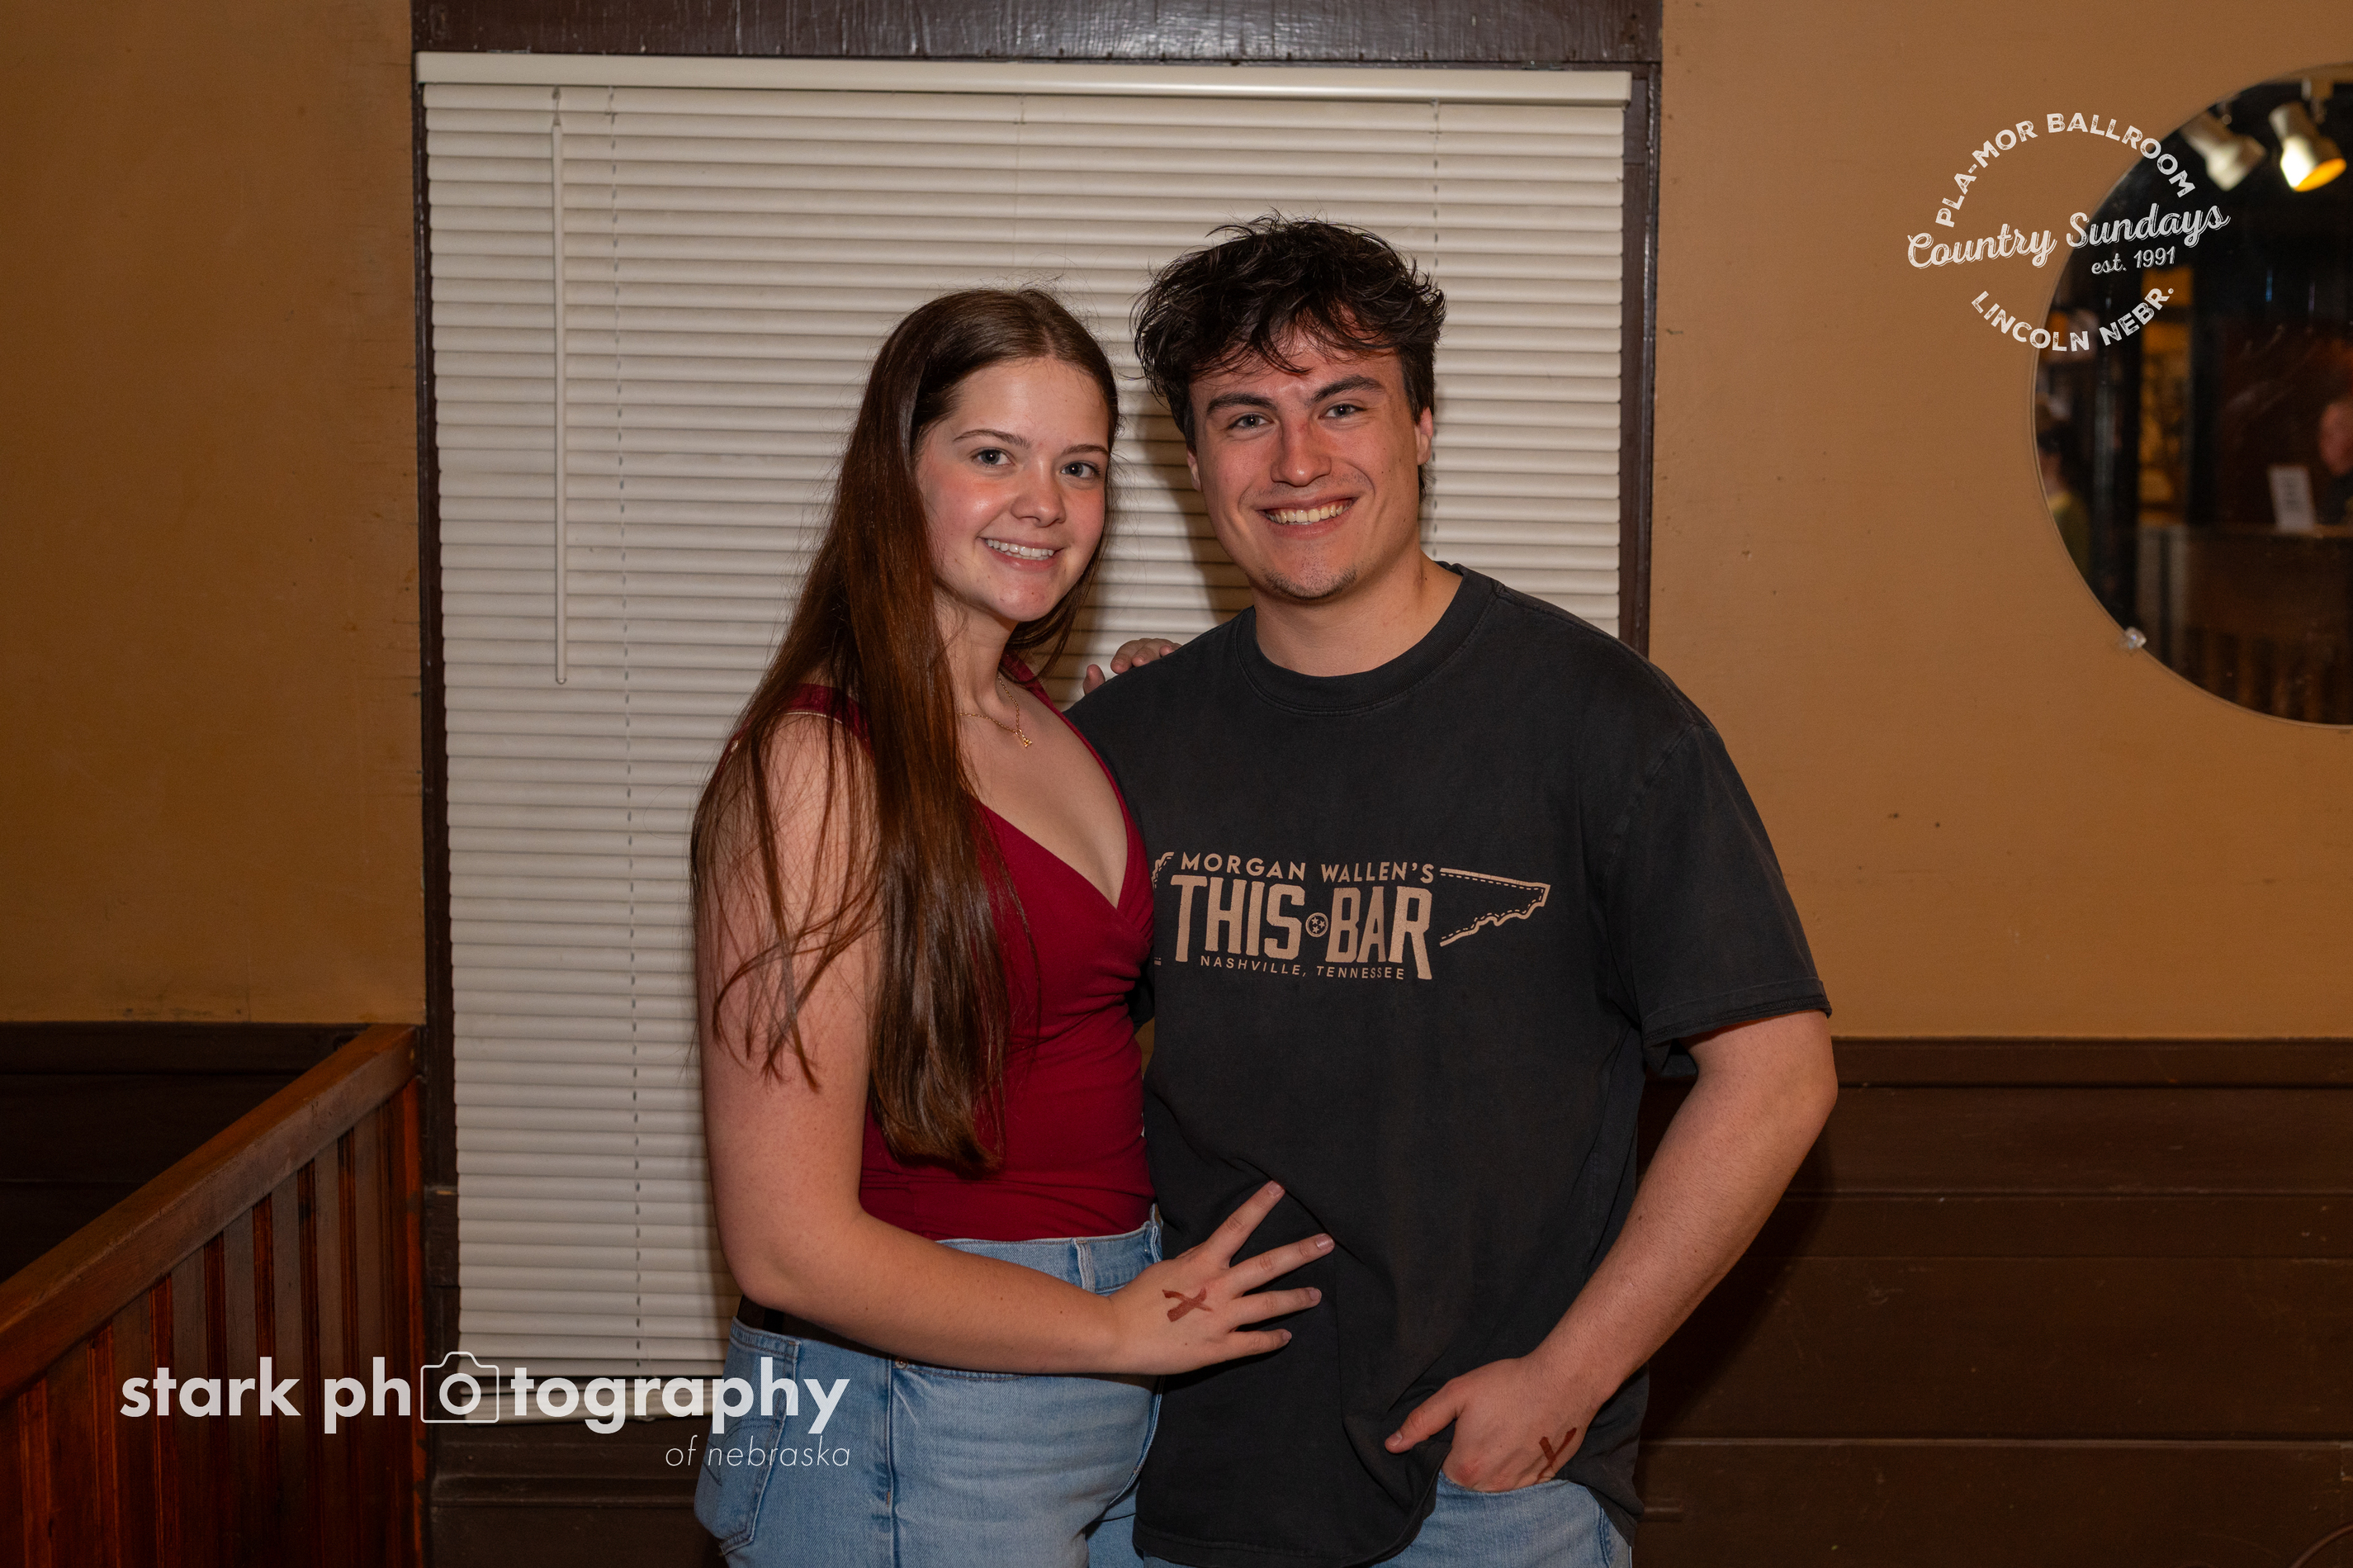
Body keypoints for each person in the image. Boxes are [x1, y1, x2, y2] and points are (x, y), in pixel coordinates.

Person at [1070, 220, 1840, 1568]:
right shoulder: (1128, 743)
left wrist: (1566, 1378)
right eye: (1245, 418)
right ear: (1192, 463)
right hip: (1177, 1477)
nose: (1296, 462)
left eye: (1342, 405)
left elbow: (1775, 1078)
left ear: (1421, 426)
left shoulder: (1603, 725)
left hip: (1486, 1496)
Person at [688, 287, 1329, 1568]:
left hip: (1095, 1375)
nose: (1044, 502)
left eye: (1079, 467)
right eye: (993, 454)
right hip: (910, 1397)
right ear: (895, 472)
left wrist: (1170, 721)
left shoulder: (1046, 723)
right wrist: (1107, 1329)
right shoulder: (816, 766)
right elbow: (786, 1247)